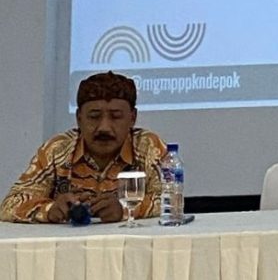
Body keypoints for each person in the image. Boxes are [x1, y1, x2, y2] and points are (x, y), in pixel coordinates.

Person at [0, 71, 168, 223]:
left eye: (116, 117)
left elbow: (172, 200)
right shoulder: (57, 150)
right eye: (94, 117)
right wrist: (49, 210)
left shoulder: (149, 148)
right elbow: (10, 204)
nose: (104, 127)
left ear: (132, 118)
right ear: (79, 118)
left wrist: (126, 209)